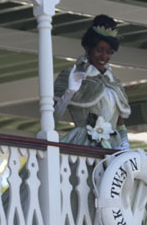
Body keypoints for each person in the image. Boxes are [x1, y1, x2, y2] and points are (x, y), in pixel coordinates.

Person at [53, 14, 131, 150]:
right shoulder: (72, 75)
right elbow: (52, 118)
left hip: (113, 145)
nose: (104, 57)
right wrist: (70, 91)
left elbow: (120, 122)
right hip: (83, 144)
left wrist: (125, 144)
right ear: (87, 48)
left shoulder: (115, 83)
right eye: (99, 50)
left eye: (109, 52)